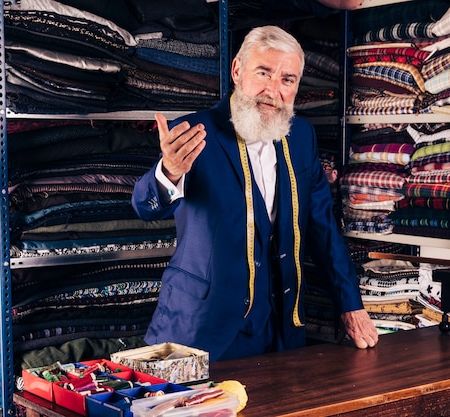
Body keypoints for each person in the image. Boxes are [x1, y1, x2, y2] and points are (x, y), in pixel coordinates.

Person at [132, 25, 378, 362]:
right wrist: (169, 172)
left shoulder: (302, 137)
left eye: (287, 80)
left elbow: (323, 228)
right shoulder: (191, 131)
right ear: (237, 70)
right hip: (203, 328)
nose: (273, 90)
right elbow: (144, 207)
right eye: (263, 73)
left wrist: (350, 305)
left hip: (281, 327)